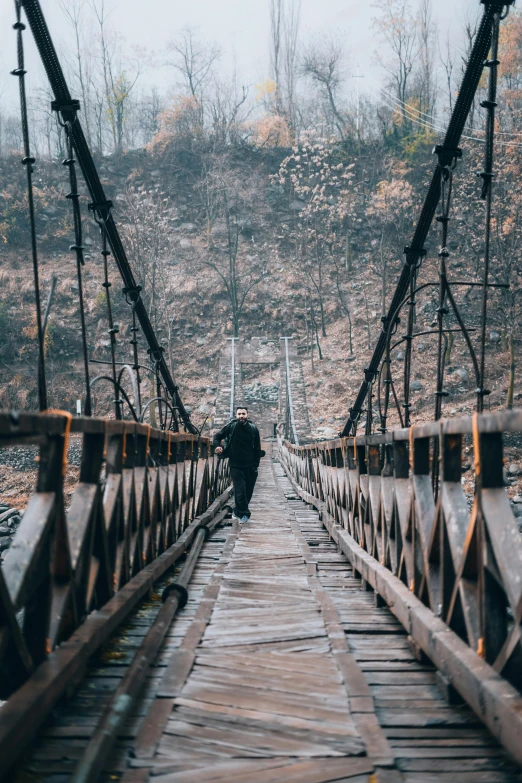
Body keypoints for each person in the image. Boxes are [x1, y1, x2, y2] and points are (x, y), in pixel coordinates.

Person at [213, 406, 263, 523]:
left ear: (247, 415)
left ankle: (237, 512)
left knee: (248, 491)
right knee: (240, 490)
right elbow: (217, 437)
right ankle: (244, 514)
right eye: (239, 414)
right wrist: (218, 446)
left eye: (243, 414)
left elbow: (257, 448)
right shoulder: (231, 427)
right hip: (235, 464)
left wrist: (256, 465)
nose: (241, 416)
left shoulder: (253, 429)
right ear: (236, 415)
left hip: (250, 465)